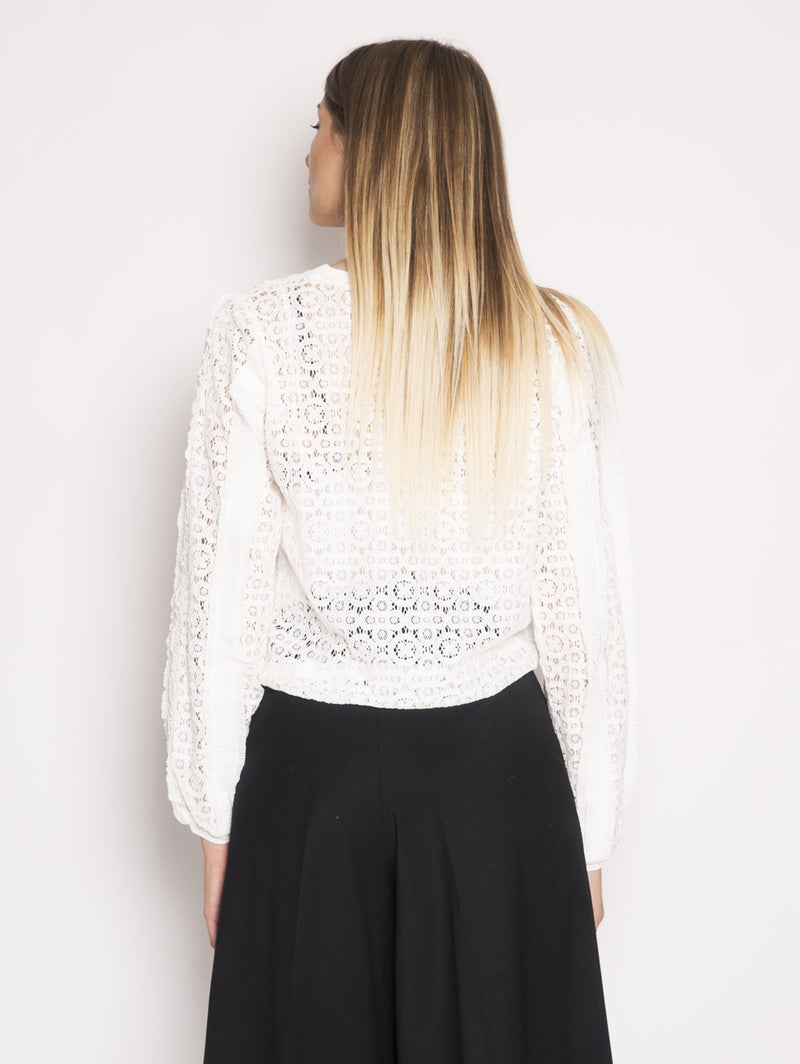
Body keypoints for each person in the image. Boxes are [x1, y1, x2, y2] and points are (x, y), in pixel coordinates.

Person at [161, 37, 637, 1064]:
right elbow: (582, 619)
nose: (307, 151)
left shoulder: (263, 334)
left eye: (322, 126)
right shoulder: (543, 342)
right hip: (501, 791)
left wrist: (216, 829)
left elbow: (220, 608)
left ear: (372, 149)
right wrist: (589, 834)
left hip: (311, 788)